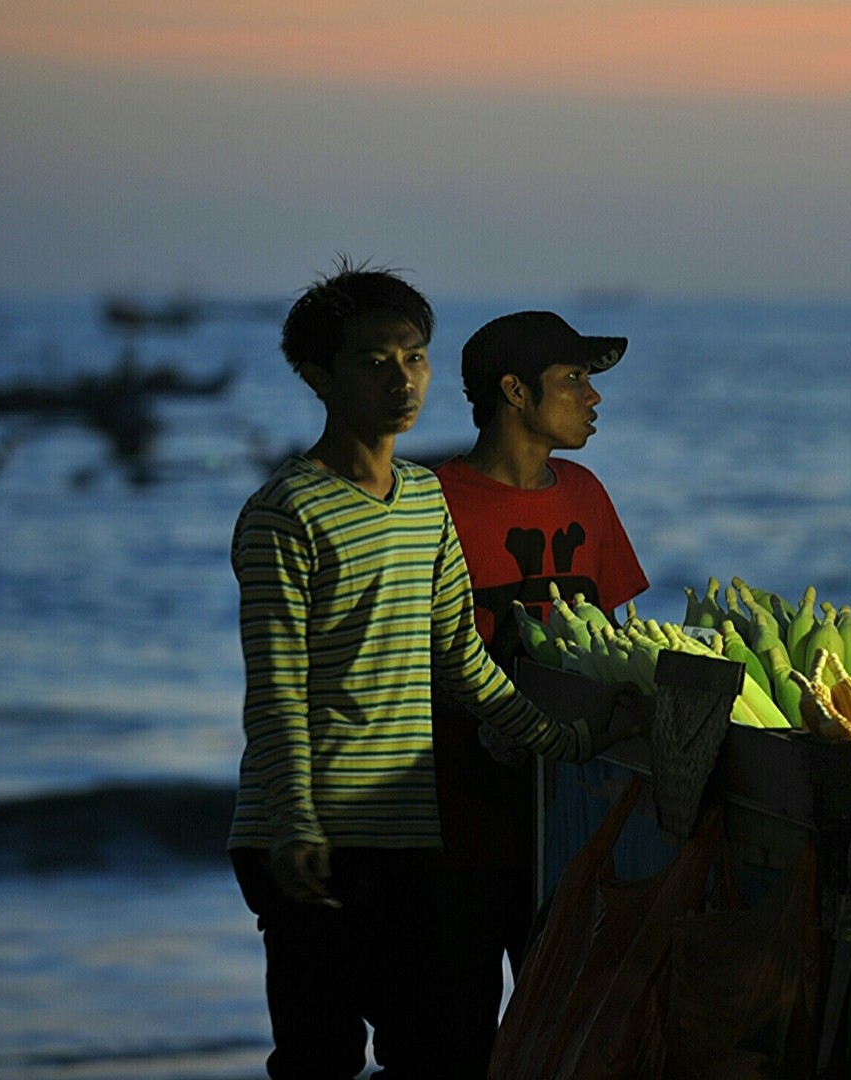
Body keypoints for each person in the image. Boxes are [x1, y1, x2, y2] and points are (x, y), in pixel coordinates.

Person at [225, 263, 628, 1080]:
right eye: (374, 362)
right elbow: (275, 690)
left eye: (414, 358)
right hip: (313, 833)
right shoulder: (284, 512)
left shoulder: (421, 498)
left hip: (413, 834)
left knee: (433, 1056)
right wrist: (296, 823)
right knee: (319, 1058)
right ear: (319, 377)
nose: (401, 379)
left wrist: (568, 741)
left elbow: (462, 660)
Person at [430, 310, 651, 1078]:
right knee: (452, 1037)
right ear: (515, 391)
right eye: (575, 379)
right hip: (459, 819)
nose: (594, 397)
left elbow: (611, 645)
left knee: (565, 1031)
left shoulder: (585, 494)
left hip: (567, 815)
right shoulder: (434, 505)